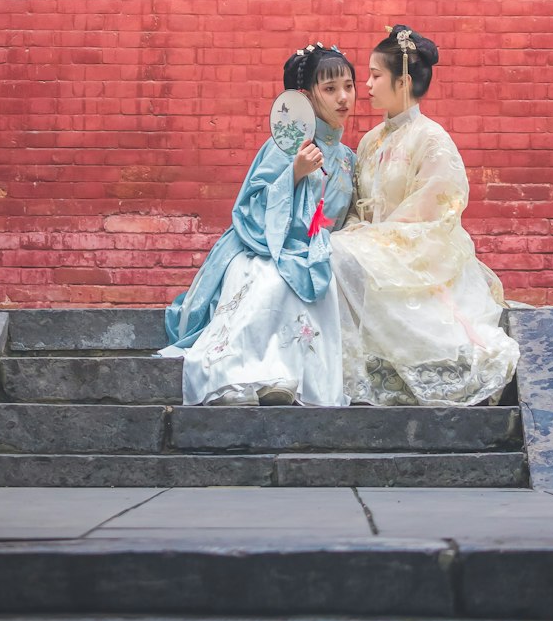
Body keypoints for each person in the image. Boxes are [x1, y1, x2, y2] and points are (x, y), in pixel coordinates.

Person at [331, 24, 519, 407]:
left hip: (416, 251)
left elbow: (437, 210)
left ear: (402, 82)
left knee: (338, 255)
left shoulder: (432, 139)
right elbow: (356, 204)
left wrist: (375, 241)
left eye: (375, 75)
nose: (365, 84)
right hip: (370, 244)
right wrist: (358, 232)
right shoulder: (370, 141)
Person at [160, 44, 356, 406]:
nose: (343, 97)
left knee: (318, 281)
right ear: (307, 97)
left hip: (316, 250)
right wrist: (294, 174)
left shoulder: (347, 159)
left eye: (348, 86)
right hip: (262, 247)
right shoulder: (284, 145)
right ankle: (256, 376)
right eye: (330, 89)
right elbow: (250, 208)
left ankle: (288, 377)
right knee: (271, 282)